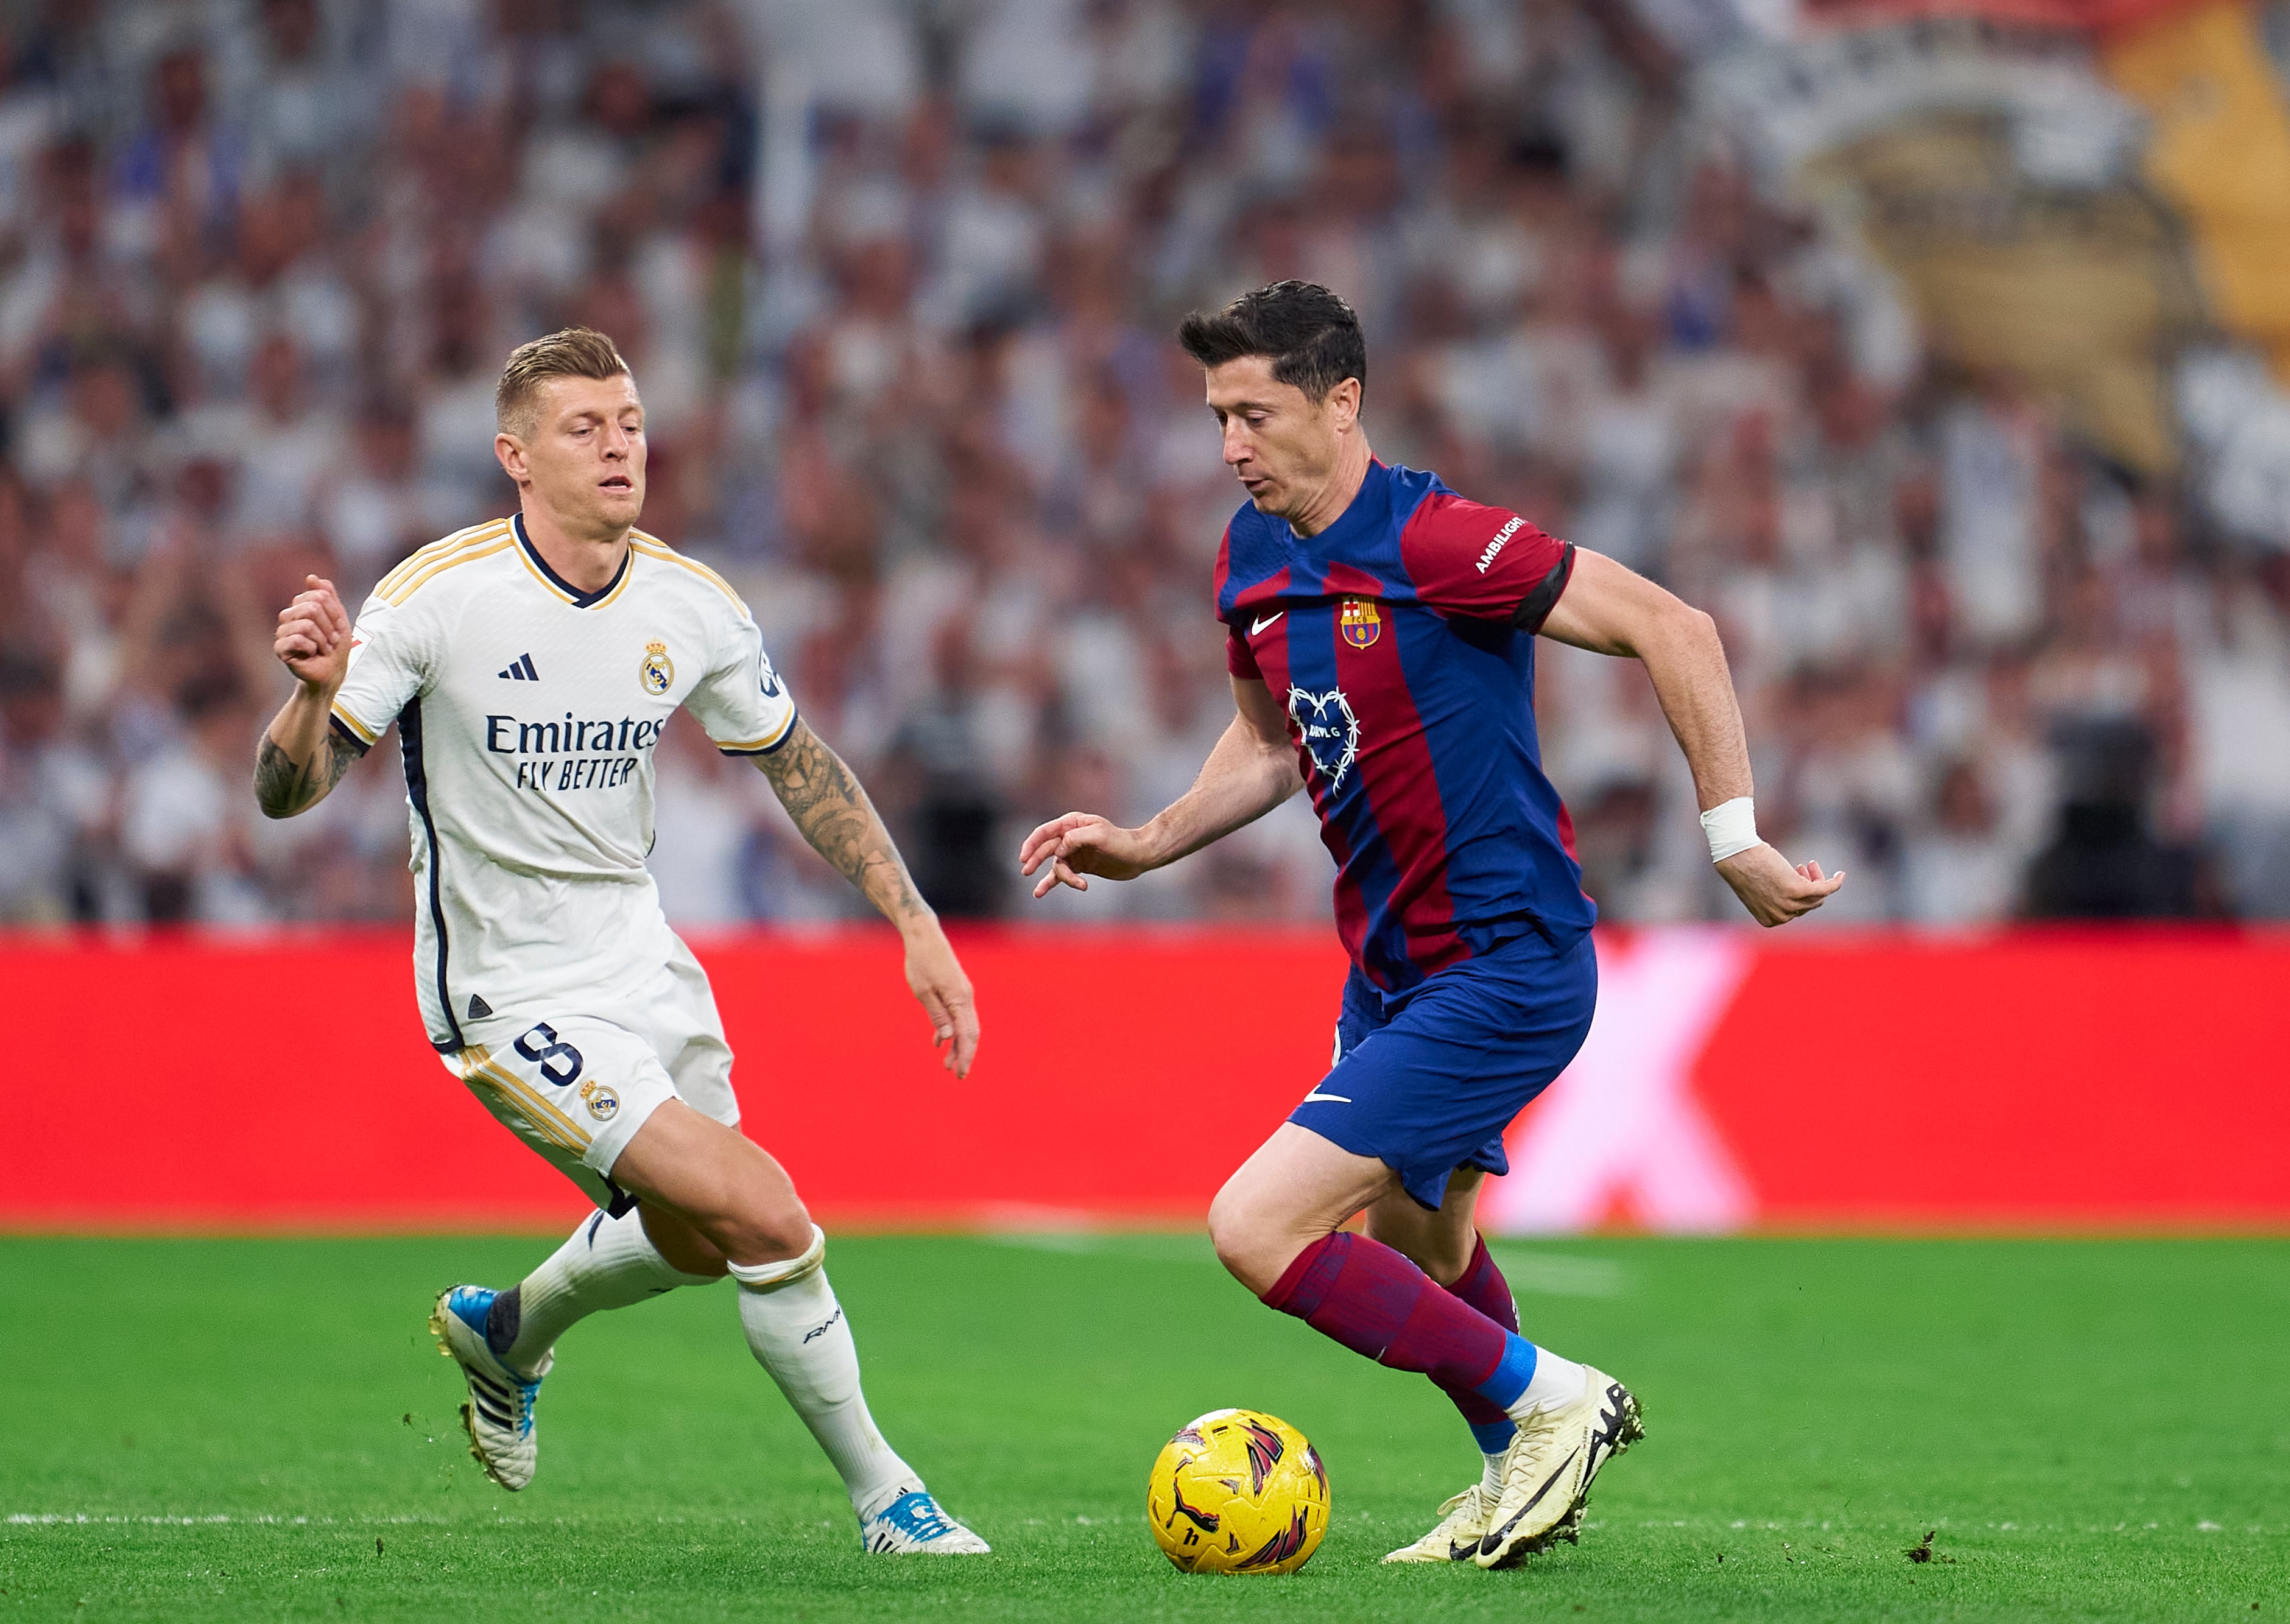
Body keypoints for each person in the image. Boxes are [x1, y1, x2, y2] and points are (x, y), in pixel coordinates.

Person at [1018, 283, 1842, 1569]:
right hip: (1390, 969)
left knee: (1256, 1225)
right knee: (1422, 1238)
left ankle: (1554, 1401)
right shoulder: (1249, 554)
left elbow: (1669, 625)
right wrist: (1147, 840)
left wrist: (1729, 833)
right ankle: (1517, 1455)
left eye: (1254, 412)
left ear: (1340, 402)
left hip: (1504, 965)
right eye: (1215, 417)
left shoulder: (1438, 539)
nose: (1230, 444)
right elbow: (1262, 744)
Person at [256, 327, 989, 1555]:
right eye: (584, 428)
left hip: (644, 965)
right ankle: (888, 1499)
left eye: (631, 422)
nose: (618, 447)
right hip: (505, 990)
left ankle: (509, 1330)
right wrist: (310, 691)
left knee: (703, 1242)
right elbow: (290, 791)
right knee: (768, 1213)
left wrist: (913, 920)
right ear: (515, 455)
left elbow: (800, 763)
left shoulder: (687, 604)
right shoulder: (438, 595)